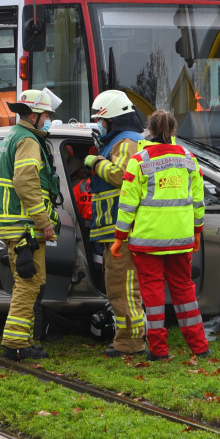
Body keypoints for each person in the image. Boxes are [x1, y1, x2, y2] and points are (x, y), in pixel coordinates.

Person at [112, 109, 208, 361]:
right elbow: (198, 202)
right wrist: (197, 232)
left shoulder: (139, 160)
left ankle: (158, 350)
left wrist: (119, 238)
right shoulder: (189, 159)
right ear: (173, 131)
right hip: (181, 239)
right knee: (185, 292)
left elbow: (127, 204)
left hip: (147, 242)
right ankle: (200, 347)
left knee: (153, 297)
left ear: (150, 130)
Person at [0, 87, 63, 360]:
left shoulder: (15, 136)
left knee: (33, 281)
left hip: (17, 225)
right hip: (26, 226)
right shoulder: (29, 140)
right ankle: (15, 344)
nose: (47, 120)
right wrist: (43, 220)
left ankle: (24, 340)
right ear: (33, 115)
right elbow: (26, 182)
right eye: (45, 115)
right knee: (29, 284)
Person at [83, 90, 147, 357]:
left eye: (102, 120)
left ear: (114, 120)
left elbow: (121, 175)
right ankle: (126, 340)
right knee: (118, 286)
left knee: (124, 288)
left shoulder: (126, 143)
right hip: (115, 230)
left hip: (124, 230)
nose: (100, 124)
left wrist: (96, 162)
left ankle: (130, 343)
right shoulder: (120, 141)